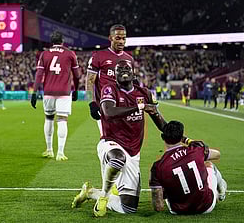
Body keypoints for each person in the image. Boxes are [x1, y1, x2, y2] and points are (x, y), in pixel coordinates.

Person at [71, 60, 192, 217]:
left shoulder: (145, 93)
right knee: (117, 158)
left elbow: (162, 125)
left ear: (134, 72)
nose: (123, 71)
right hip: (111, 142)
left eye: (126, 68)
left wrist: (186, 140)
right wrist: (139, 107)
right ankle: (104, 196)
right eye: (118, 69)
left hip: (134, 152)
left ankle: (91, 192)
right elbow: (108, 112)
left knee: (128, 209)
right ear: (114, 75)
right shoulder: (110, 89)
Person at [149, 121, 227, 214]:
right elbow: (217, 154)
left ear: (162, 137)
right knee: (208, 164)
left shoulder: (157, 166)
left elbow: (158, 207)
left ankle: (216, 194)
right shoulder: (195, 150)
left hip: (177, 210)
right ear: (181, 137)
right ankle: (221, 190)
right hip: (206, 207)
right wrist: (188, 141)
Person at [30, 31, 80, 161]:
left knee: (49, 119)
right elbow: (77, 75)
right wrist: (76, 89)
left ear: (51, 41)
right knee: (62, 119)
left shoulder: (44, 54)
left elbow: (39, 75)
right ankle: (60, 153)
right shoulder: (70, 53)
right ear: (62, 41)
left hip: (48, 92)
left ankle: (49, 150)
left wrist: (34, 92)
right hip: (64, 91)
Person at [86, 24, 134, 135]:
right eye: (118, 38)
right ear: (110, 38)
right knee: (109, 142)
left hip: (123, 108)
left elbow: (131, 84)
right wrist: (92, 103)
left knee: (125, 142)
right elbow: (89, 81)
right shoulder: (98, 56)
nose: (121, 41)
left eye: (124, 38)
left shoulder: (129, 59)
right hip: (105, 107)